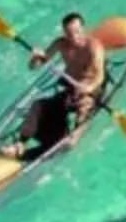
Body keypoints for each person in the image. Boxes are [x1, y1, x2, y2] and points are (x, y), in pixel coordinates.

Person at [13, 12, 108, 158]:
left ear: (83, 29)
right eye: (69, 33)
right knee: (38, 105)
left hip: (90, 90)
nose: (73, 37)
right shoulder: (61, 44)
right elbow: (34, 66)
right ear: (64, 33)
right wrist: (36, 57)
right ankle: (21, 143)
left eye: (77, 32)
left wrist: (88, 87)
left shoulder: (94, 47)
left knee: (82, 113)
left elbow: (100, 76)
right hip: (71, 89)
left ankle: (71, 138)